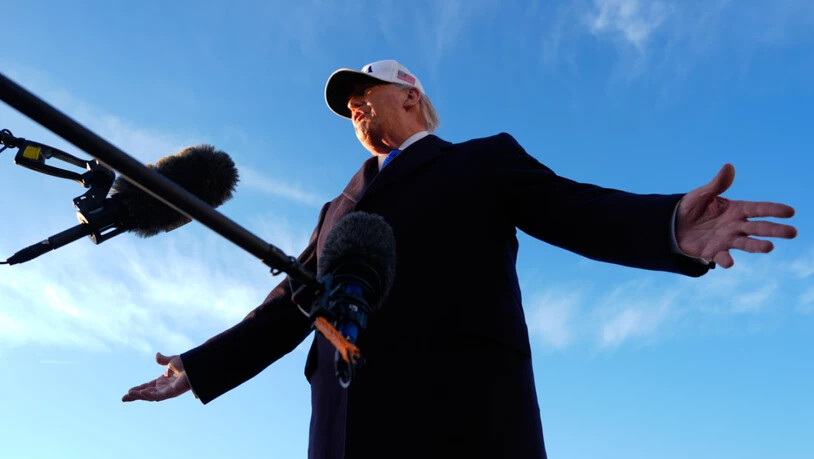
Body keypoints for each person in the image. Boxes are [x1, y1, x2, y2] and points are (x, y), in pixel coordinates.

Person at [123, 60, 797, 458]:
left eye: (366, 93)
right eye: (348, 106)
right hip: (342, 429)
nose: (356, 107)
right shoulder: (334, 212)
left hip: (462, 422)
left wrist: (671, 224)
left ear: (410, 96)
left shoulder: (481, 161)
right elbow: (288, 307)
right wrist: (200, 364)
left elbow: (576, 208)